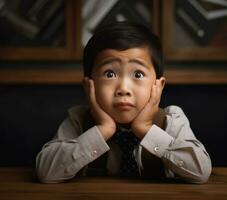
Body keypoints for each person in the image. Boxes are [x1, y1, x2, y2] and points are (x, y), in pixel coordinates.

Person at [36, 22, 212, 183]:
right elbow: (46, 172)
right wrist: (103, 130)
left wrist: (146, 129)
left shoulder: (171, 119)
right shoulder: (78, 119)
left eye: (138, 74)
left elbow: (201, 172)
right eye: (109, 74)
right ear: (89, 85)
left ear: (158, 85)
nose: (123, 88)